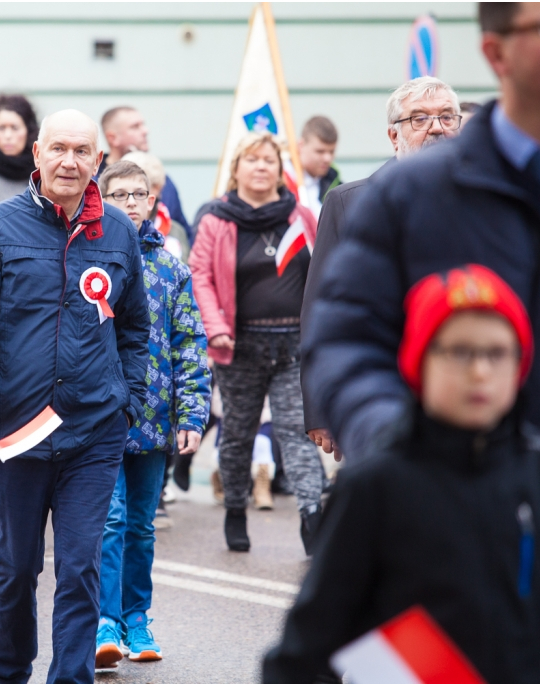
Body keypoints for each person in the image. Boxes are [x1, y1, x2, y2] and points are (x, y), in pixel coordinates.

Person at [305, 5, 540, 675]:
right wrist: (394, 447)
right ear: (496, 52)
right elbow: (340, 332)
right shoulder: (404, 195)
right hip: (435, 488)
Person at [264, 265, 540, 684]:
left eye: (497, 353)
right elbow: (309, 643)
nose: (480, 372)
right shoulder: (377, 485)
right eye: (459, 352)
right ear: (419, 359)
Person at [0, 109, 150, 684]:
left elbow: (135, 328)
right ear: (37, 155)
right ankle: (9, 672)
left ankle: (71, 677)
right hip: (13, 430)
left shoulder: (118, 231)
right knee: (16, 566)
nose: (70, 161)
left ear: (97, 161)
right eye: (58, 148)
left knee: (81, 566)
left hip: (94, 432)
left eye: (82, 151)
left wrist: (128, 398)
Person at [300, 76, 461, 457]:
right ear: (394, 136)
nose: (436, 127)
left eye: (447, 117)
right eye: (418, 119)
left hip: (465, 389)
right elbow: (321, 310)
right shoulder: (348, 204)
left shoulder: (488, 200)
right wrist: (322, 407)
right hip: (378, 394)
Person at [94, 160, 210, 670]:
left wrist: (192, 414)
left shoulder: (172, 268)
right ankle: (105, 619)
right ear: (102, 202)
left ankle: (137, 616)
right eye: (119, 195)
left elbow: (189, 345)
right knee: (110, 519)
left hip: (155, 419)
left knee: (140, 525)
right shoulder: (89, 262)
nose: (132, 204)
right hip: (98, 417)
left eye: (139, 195)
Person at [190, 131, 321, 554]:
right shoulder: (215, 218)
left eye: (269, 159)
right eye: (252, 159)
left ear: (280, 168)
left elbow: (323, 272)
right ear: (236, 168)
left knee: (298, 433)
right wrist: (215, 328)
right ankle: (235, 508)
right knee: (238, 434)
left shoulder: (302, 217)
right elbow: (200, 278)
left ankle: (312, 518)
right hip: (239, 346)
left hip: (295, 347)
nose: (261, 166)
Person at [98, 106, 192, 236]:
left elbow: (182, 232)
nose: (145, 131)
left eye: (140, 194)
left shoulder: (165, 182)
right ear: (113, 138)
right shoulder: (93, 182)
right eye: (135, 127)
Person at [121, 151, 191, 262]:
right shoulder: (110, 229)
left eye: (139, 191)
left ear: (156, 188)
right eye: (122, 192)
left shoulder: (175, 231)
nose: (130, 200)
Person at [0, 93, 40, 203]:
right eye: (1, 128)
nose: (8, 136)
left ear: (29, 131)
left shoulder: (43, 176)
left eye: (15, 128)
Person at [296, 115, 341, 217]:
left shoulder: (336, 185)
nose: (327, 158)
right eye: (320, 151)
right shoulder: (282, 182)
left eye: (331, 151)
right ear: (301, 145)